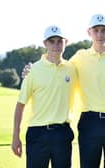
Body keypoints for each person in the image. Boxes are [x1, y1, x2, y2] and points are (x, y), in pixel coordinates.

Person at [22, 13, 105, 168]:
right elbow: (58, 64)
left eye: (104, 30)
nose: (100, 34)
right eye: (96, 30)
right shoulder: (79, 58)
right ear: (89, 32)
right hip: (89, 122)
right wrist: (30, 70)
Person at [11, 25, 77, 168]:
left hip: (62, 133)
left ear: (66, 42)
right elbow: (20, 105)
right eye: (51, 41)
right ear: (45, 44)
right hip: (37, 134)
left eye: (59, 41)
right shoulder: (32, 70)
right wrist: (15, 136)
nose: (55, 45)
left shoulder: (72, 69)